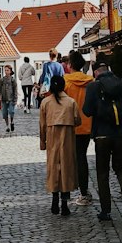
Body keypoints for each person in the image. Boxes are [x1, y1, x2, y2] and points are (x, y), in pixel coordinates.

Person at [82, 59, 122, 222]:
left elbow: (86, 111)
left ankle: (106, 210)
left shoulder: (93, 86)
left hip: (102, 135)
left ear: (95, 72)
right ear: (108, 69)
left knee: (102, 173)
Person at [39, 74, 78, 215]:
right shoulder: (71, 102)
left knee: (54, 167)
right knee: (66, 168)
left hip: (52, 138)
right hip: (67, 139)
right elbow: (77, 120)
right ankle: (65, 203)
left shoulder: (45, 102)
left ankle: (54, 198)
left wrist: (42, 142)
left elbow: (42, 125)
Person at [64, 50, 95, 206]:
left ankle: (66, 191)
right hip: (87, 125)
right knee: (81, 158)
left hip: (69, 125)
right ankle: (84, 192)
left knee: (67, 159)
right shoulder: (90, 82)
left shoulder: (66, 83)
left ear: (69, 65)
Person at [0, 67, 18, 133]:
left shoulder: (13, 80)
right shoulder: (2, 80)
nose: (6, 71)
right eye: (5, 70)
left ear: (10, 71)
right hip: (3, 99)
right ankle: (7, 126)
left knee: (11, 112)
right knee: (4, 113)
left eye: (7, 70)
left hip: (11, 99)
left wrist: (15, 99)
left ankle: (12, 122)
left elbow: (15, 90)